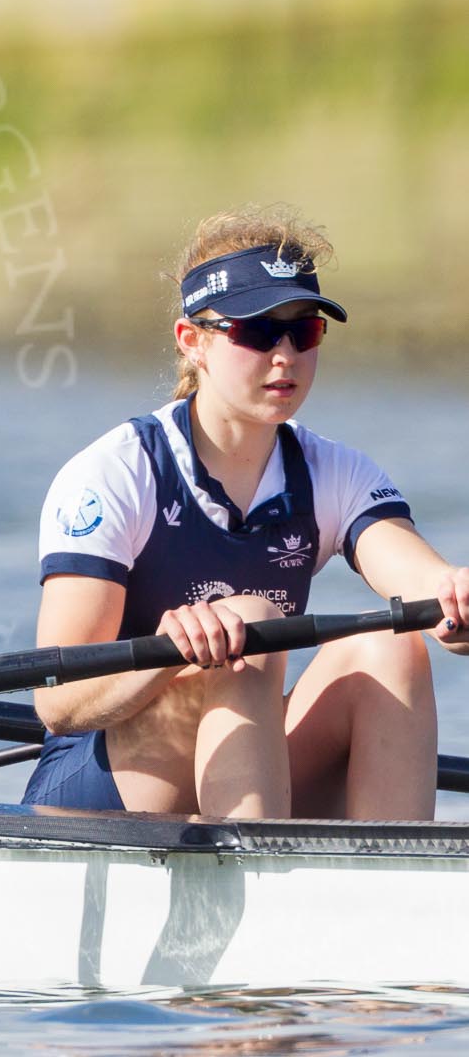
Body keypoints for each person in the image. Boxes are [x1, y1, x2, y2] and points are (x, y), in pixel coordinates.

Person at [28, 206, 469, 819]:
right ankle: (258, 882)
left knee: (391, 647)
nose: (284, 355)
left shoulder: (334, 472)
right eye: (258, 333)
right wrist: (165, 652)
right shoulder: (115, 474)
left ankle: (386, 889)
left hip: (239, 762)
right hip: (97, 787)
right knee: (251, 627)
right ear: (194, 342)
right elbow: (58, 701)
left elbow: (423, 579)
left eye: (304, 331)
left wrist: (455, 600)